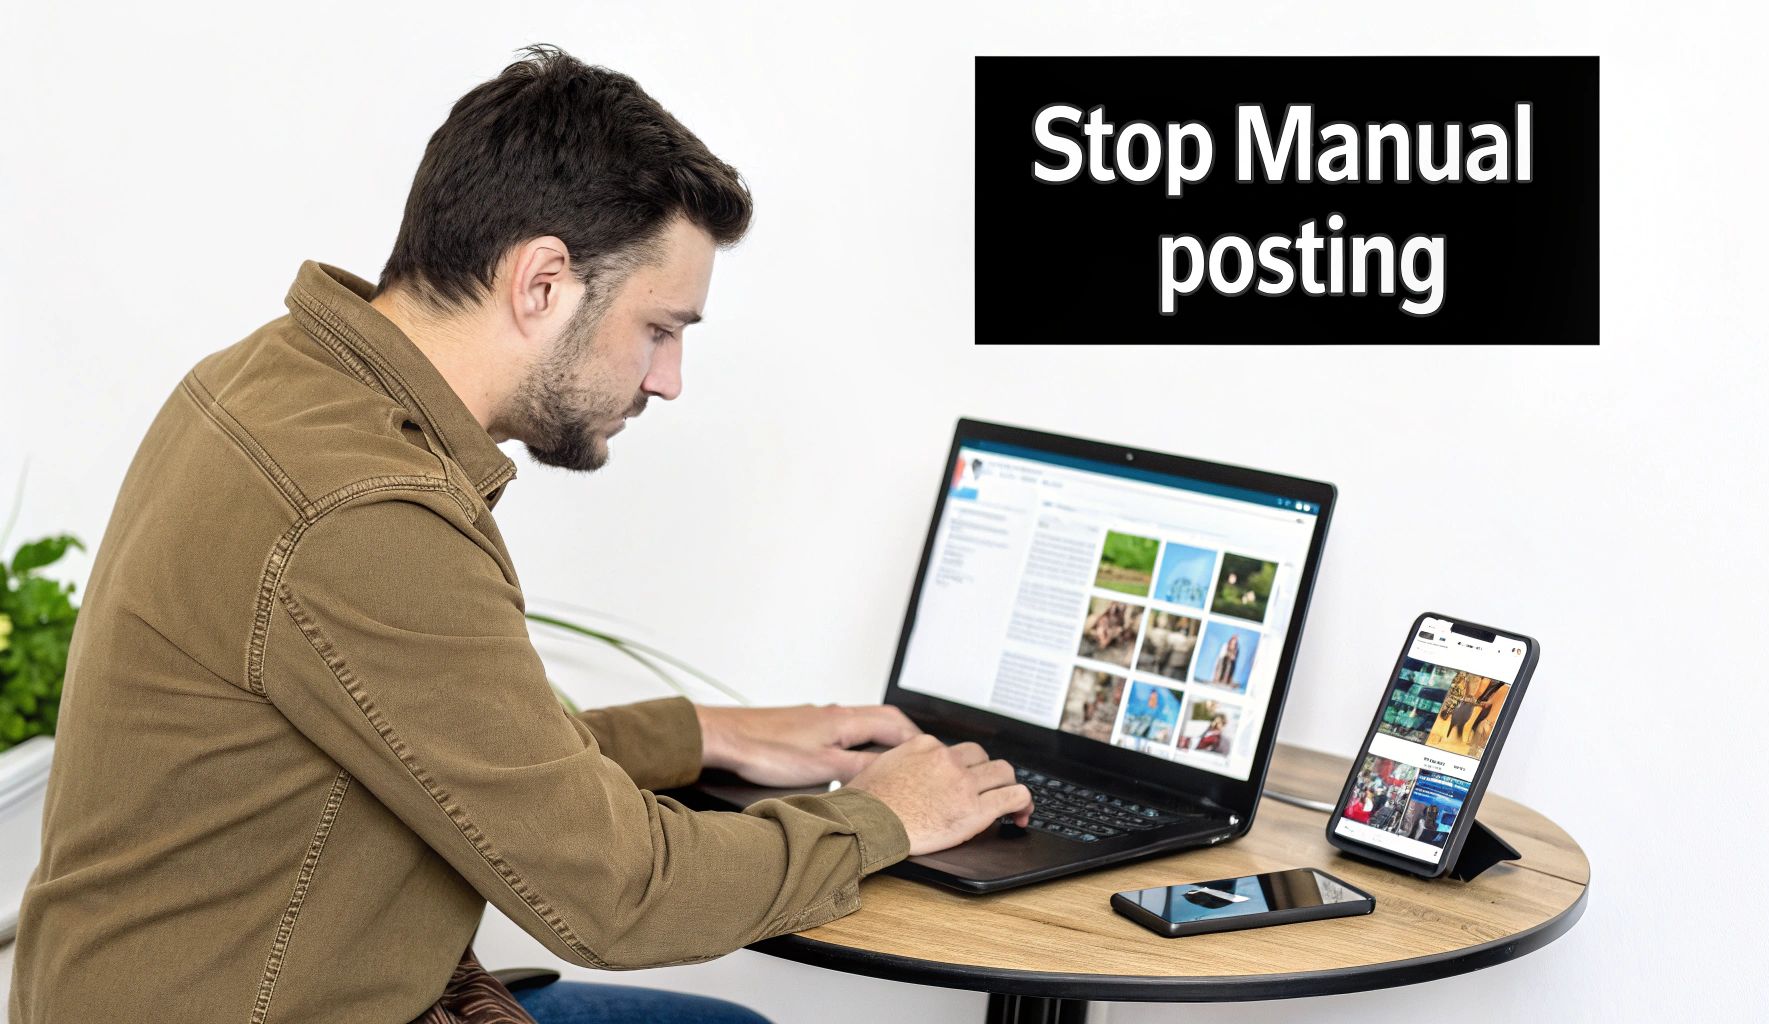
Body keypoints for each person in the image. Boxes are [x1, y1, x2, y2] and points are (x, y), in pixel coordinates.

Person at [8, 46, 1033, 1024]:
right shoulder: (367, 512)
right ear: (541, 282)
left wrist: (700, 735)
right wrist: (883, 816)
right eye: (660, 328)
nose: (669, 379)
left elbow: (430, 732)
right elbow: (621, 896)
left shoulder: (271, 378)